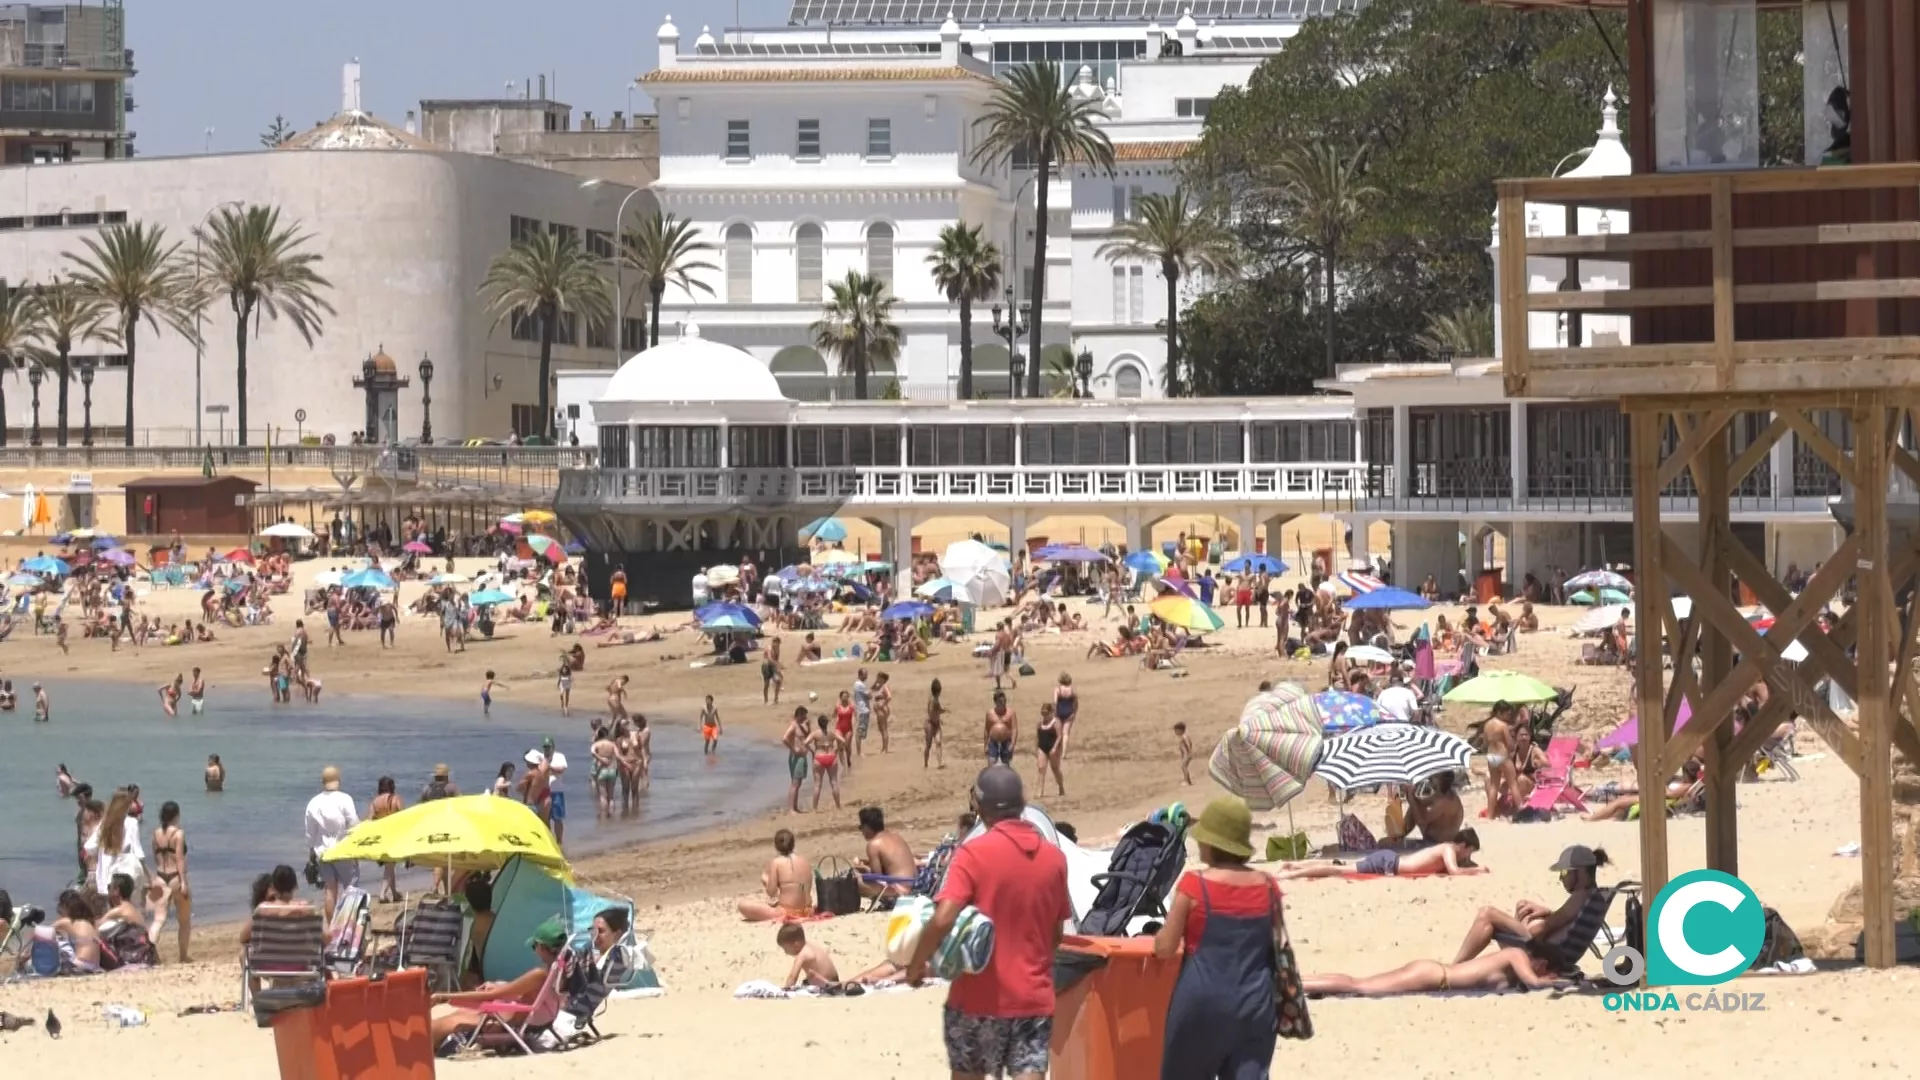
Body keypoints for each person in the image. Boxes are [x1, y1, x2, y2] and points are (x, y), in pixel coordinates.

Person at [907, 767, 1071, 1080]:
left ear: (980, 808)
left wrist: (916, 965)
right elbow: (1055, 935)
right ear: (1022, 805)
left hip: (978, 999)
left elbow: (943, 918)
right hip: (1033, 998)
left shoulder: (973, 853)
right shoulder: (1055, 858)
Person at [1152, 796, 1283, 1080]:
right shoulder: (1269, 887)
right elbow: (1275, 946)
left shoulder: (1193, 886)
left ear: (1211, 844)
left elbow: (1165, 948)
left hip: (1201, 1003)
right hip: (1256, 1004)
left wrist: (1157, 938)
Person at [1452, 845, 1612, 965]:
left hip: (1542, 956)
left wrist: (1525, 928)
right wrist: (1546, 913)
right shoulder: (1591, 896)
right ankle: (1459, 965)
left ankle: (1456, 966)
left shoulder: (1580, 896)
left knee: (1487, 914)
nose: (1561, 878)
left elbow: (1544, 929)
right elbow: (1565, 922)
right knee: (1524, 906)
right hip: (1551, 952)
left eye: (1564, 872)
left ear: (1580, 872)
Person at [430, 917, 566, 1049]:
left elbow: (493, 995)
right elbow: (522, 991)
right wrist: (498, 986)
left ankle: (422, 1049)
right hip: (534, 1018)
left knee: (450, 1021)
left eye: (533, 946)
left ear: (541, 947)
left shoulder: (539, 974)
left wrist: (443, 996)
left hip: (514, 1022)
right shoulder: (556, 970)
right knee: (462, 1012)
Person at [1304, 946, 1561, 997]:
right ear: (1540, 960)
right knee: (1358, 986)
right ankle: (1297, 984)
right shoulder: (1516, 954)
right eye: (1545, 968)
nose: (1542, 971)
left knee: (1358, 983)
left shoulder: (1509, 967)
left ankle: (1298, 981)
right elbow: (1533, 982)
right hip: (1434, 976)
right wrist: (1554, 982)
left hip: (1433, 974)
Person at [1275, 829, 1485, 880]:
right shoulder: (1449, 849)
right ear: (1463, 845)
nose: (1468, 856)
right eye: (1469, 851)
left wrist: (1471, 866)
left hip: (1389, 861)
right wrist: (1478, 870)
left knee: (1339, 868)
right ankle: (1291, 873)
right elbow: (1454, 871)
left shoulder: (1447, 848)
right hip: (1388, 863)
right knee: (1337, 870)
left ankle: (1293, 866)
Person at [304, 766, 361, 921]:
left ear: (323, 782)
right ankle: (347, 923)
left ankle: (331, 926)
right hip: (344, 851)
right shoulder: (345, 799)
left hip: (323, 853)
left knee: (330, 891)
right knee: (351, 889)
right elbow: (354, 824)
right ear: (338, 781)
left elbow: (310, 833)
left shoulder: (313, 803)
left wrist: (311, 852)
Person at [739, 829, 813, 921]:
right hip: (807, 911)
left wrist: (766, 881)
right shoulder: (804, 861)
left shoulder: (776, 862)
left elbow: (771, 893)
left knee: (742, 905)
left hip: (787, 911)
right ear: (793, 844)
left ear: (776, 846)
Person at [86, 788, 147, 898]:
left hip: (104, 877)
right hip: (124, 877)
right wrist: (148, 876)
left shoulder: (104, 824)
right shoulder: (131, 822)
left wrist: (100, 854)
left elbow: (89, 847)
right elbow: (138, 852)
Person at [150, 802, 192, 961]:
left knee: (158, 919)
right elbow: (180, 859)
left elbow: (155, 857)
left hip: (160, 877)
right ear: (176, 815)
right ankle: (183, 956)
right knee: (184, 921)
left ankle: (149, 953)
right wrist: (184, 882)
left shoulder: (155, 833)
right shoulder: (178, 834)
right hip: (175, 877)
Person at [854, 807, 918, 902]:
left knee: (855, 882)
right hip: (914, 885)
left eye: (861, 828)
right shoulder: (896, 836)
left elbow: (877, 877)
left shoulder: (873, 844)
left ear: (867, 827)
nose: (862, 832)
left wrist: (863, 869)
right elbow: (891, 864)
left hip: (899, 891)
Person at [369, 778, 406, 901]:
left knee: (390, 865)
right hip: (393, 834)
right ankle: (382, 894)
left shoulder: (375, 802)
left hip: (381, 835)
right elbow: (403, 816)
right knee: (390, 865)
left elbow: (370, 820)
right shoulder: (395, 799)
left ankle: (394, 893)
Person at [1481, 700, 1519, 819]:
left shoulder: (1487, 725)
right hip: (1502, 755)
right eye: (1507, 714)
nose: (1508, 716)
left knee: (1494, 786)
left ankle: (1490, 815)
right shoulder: (1503, 726)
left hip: (1491, 756)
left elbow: (1485, 743)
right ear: (1499, 712)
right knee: (1513, 784)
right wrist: (1514, 742)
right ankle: (1521, 811)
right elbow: (1510, 745)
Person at [777, 923, 841, 989]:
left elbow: (792, 977)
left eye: (785, 948)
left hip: (827, 986)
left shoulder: (802, 955)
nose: (785, 951)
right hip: (835, 981)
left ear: (796, 945)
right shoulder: (810, 945)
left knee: (802, 987)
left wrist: (785, 990)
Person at [52, 890, 100, 970]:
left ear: (65, 906)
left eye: (60, 906)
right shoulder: (91, 923)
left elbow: (43, 934)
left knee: (56, 940)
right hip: (95, 966)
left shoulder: (66, 922)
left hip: (81, 964)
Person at [808, 713, 846, 811]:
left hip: (819, 757)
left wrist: (812, 751)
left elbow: (805, 742)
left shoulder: (815, 733)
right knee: (834, 782)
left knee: (817, 784)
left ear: (819, 723)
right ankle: (838, 806)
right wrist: (838, 749)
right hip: (831, 756)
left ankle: (815, 808)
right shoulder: (832, 733)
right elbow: (843, 740)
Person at [782, 707, 811, 814]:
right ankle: (791, 809)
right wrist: (793, 749)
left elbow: (807, 738)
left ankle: (795, 807)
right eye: (804, 715)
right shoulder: (793, 725)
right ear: (799, 714)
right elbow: (784, 739)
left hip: (802, 757)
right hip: (796, 757)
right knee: (795, 783)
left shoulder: (801, 726)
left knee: (798, 783)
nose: (805, 718)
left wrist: (808, 726)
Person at [1034, 702, 1065, 797]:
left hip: (1053, 747)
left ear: (1051, 712)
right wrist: (1036, 748)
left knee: (1055, 769)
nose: (1044, 716)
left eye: (1046, 713)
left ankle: (1061, 786)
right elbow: (1037, 736)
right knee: (1041, 768)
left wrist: (1055, 748)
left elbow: (1059, 736)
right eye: (1043, 713)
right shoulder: (1040, 723)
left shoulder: (1056, 722)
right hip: (1042, 747)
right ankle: (1040, 791)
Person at [984, 690, 1017, 766]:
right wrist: (985, 745)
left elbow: (1014, 729)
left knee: (1005, 765)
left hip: (1006, 742)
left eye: (1004, 701)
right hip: (993, 742)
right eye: (1001, 702)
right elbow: (986, 730)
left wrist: (1012, 744)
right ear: (996, 702)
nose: (1003, 703)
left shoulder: (1011, 713)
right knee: (991, 763)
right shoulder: (990, 713)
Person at [1053, 672, 1079, 752]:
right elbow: (1076, 703)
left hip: (1059, 712)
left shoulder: (1058, 689)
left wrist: (1054, 713)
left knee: (1058, 734)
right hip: (1069, 712)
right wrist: (1074, 713)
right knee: (1066, 733)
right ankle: (1064, 753)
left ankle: (1057, 750)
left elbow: (1055, 702)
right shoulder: (1072, 690)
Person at [833, 690, 857, 775]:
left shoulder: (851, 706)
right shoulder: (837, 706)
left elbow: (855, 716)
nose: (845, 698)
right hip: (839, 728)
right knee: (840, 746)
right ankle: (843, 765)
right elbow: (834, 715)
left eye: (846, 696)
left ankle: (848, 760)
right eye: (843, 696)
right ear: (840, 697)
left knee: (847, 746)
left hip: (848, 728)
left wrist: (854, 722)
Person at [924, 678, 946, 769]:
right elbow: (932, 711)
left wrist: (941, 711)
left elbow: (936, 710)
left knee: (938, 742)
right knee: (928, 745)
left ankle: (939, 763)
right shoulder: (933, 700)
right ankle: (926, 763)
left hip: (935, 723)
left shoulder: (935, 699)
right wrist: (940, 711)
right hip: (930, 724)